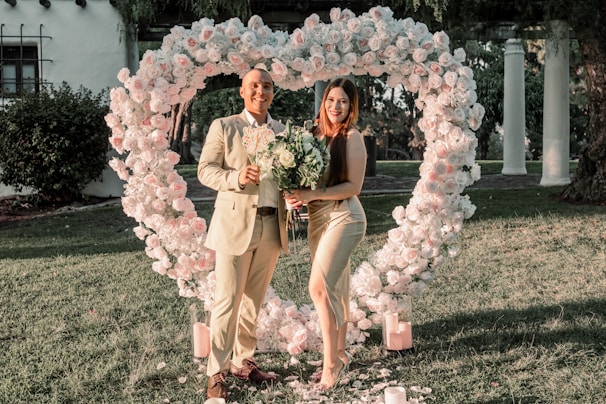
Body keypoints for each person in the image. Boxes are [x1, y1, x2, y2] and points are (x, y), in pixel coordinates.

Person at [197, 68, 289, 400]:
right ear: (242, 91)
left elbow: (287, 176)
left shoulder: (282, 132)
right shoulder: (224, 126)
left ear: (273, 92)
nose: (260, 91)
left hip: (272, 226)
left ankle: (243, 362)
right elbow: (205, 170)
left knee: (253, 301)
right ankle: (216, 372)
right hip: (235, 225)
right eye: (254, 86)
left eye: (267, 86)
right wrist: (236, 177)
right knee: (227, 300)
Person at [285, 78, 367, 390]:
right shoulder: (312, 135)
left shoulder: (352, 137)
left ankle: (331, 363)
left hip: (345, 216)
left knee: (318, 289)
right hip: (318, 219)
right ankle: (341, 352)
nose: (336, 106)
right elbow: (300, 179)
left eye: (343, 101)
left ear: (351, 106)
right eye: (331, 100)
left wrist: (313, 194)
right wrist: (294, 195)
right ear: (324, 102)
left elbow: (353, 187)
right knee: (336, 289)